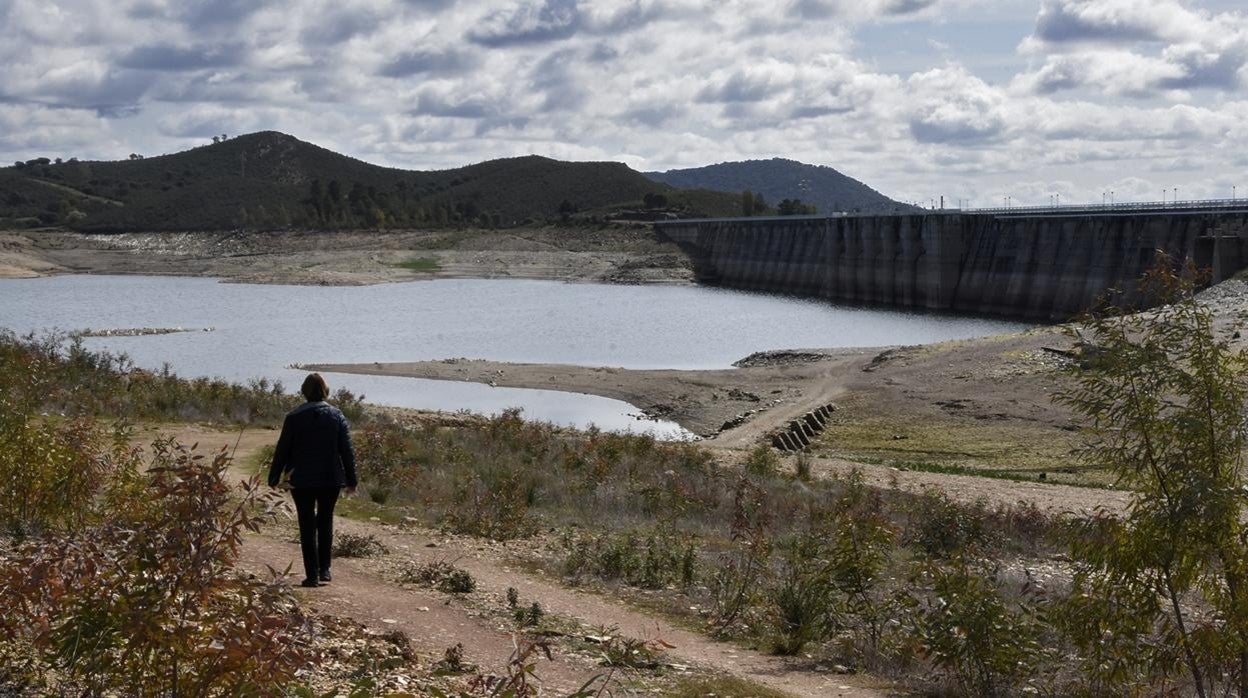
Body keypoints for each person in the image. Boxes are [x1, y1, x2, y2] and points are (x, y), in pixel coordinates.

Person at [268, 373, 358, 588]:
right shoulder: (336, 416)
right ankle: (325, 569)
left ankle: (312, 575)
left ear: (304, 391)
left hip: (301, 479)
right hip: (330, 478)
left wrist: (274, 477)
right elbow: (346, 451)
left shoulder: (293, 417)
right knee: (325, 520)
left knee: (307, 524)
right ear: (325, 391)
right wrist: (351, 479)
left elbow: (283, 449)